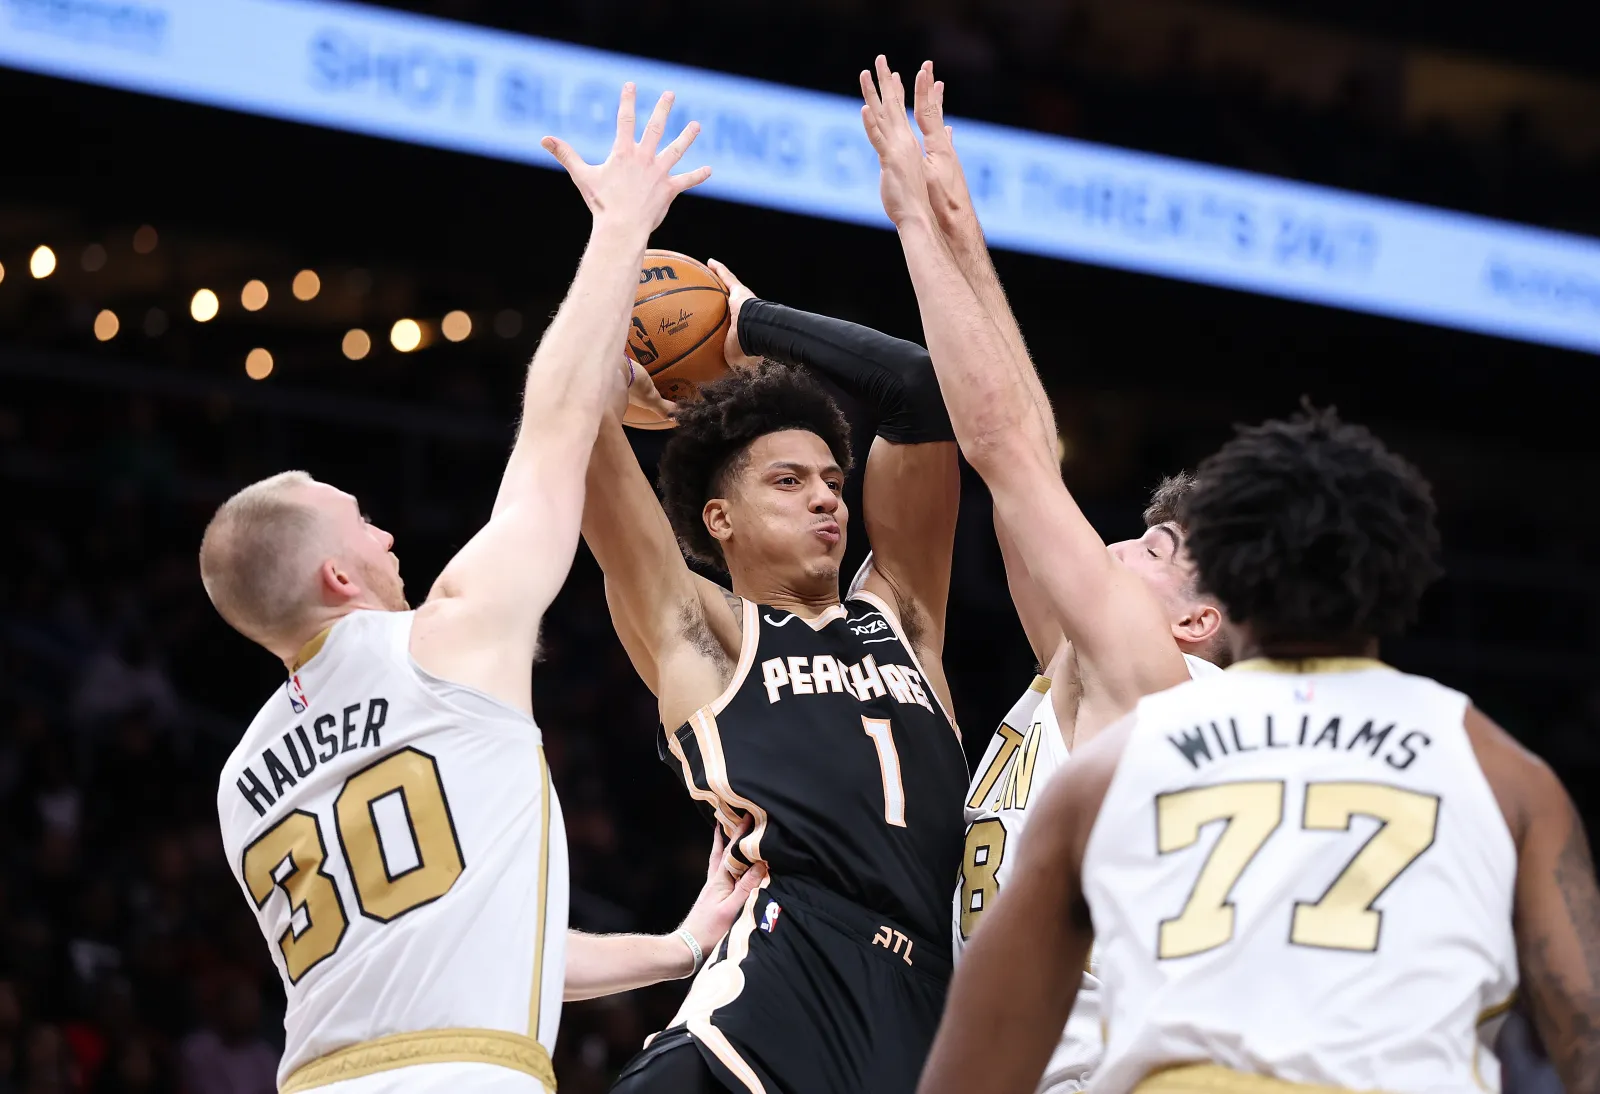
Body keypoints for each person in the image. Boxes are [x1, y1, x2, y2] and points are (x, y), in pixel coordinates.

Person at [199, 84, 759, 1094]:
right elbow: (554, 430)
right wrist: (621, 225)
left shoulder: (242, 780)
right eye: (361, 520)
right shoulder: (446, 637)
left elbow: (468, 943)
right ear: (337, 574)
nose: (386, 532)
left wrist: (679, 947)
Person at [919, 405, 1600, 1094]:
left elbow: (975, 1067)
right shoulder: (1504, 771)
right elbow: (1585, 1038)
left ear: (1231, 589)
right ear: (1403, 581)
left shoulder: (1127, 753)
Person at [858, 57, 1226, 1091]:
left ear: (1197, 621)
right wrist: (963, 236)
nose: (1116, 544)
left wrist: (913, 226)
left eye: (1154, 550)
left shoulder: (1161, 687)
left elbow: (1004, 450)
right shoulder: (1086, 672)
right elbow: (1030, 457)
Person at [587, 261, 968, 1094]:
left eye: (833, 481)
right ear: (719, 518)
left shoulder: (904, 620)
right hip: (776, 992)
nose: (826, 499)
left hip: (927, 1002)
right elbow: (576, 433)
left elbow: (915, 388)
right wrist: (605, 378)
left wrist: (751, 321)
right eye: (788, 483)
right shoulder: (710, 633)